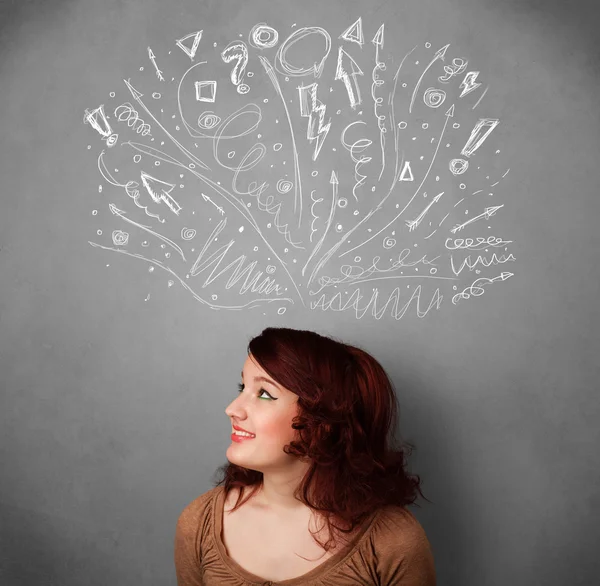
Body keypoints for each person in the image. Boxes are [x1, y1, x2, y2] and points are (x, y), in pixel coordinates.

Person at [174, 327, 436, 585]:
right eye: (242, 387)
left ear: (323, 420)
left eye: (264, 394)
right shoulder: (199, 522)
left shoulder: (393, 541)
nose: (232, 409)